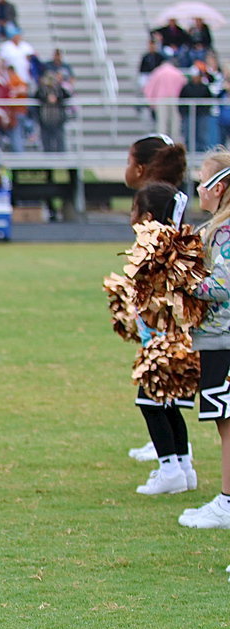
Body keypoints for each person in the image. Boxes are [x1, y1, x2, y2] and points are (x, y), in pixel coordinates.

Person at [122, 133, 192, 465]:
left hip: (164, 320)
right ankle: (174, 455)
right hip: (163, 317)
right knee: (161, 392)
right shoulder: (167, 199)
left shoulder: (157, 202)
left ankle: (172, 461)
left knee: (156, 393)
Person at [177, 151, 230, 528]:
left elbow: (225, 284)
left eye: (203, 180)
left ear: (221, 187)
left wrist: (185, 283)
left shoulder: (225, 231)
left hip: (224, 338)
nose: (198, 187)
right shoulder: (215, 227)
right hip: (215, 338)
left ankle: (228, 502)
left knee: (228, 425)